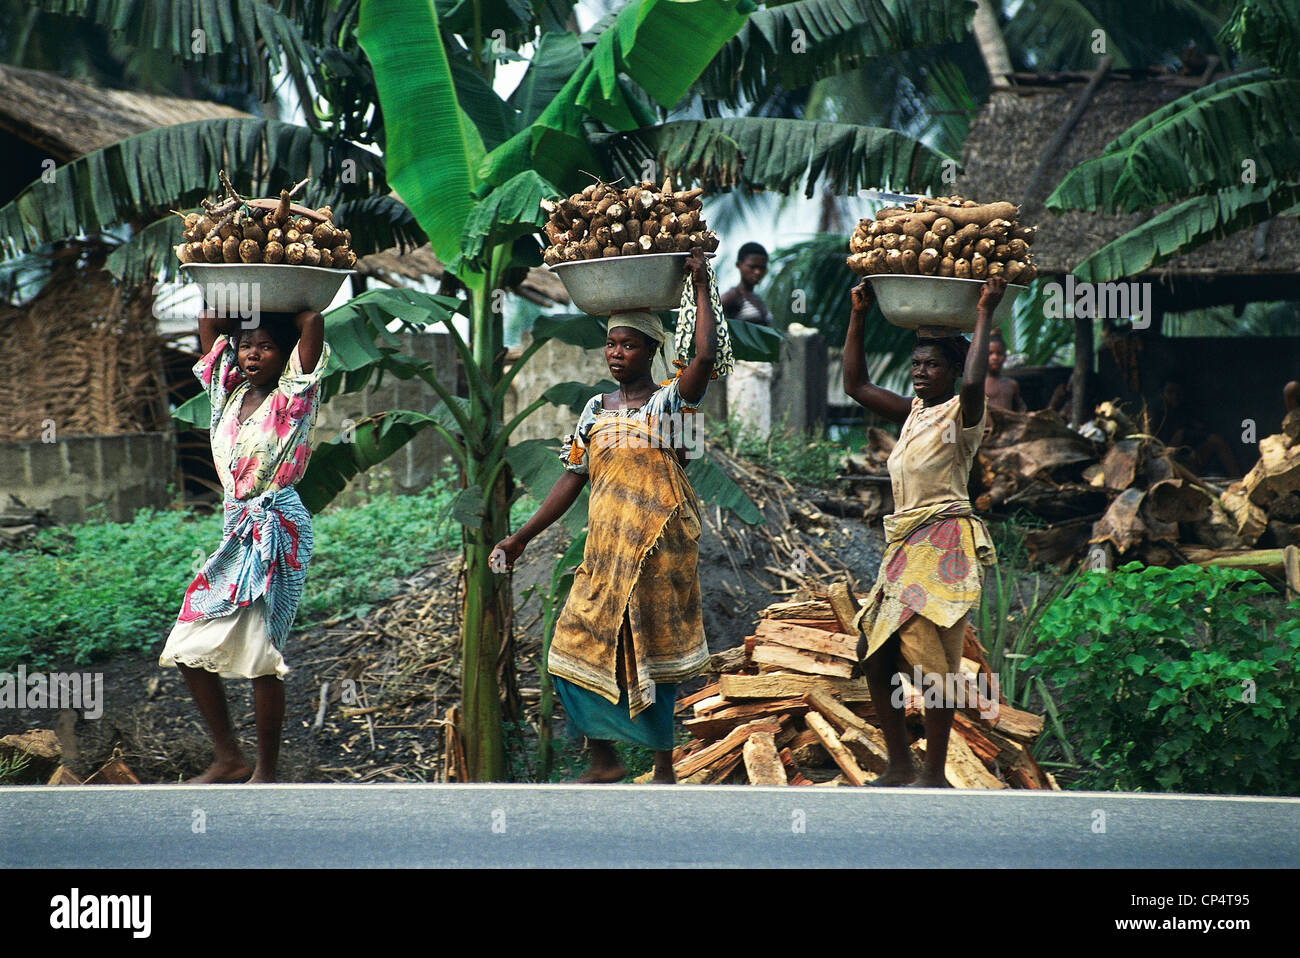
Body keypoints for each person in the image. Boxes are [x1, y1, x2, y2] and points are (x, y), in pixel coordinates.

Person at [490, 249, 728, 784]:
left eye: (630, 345)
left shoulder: (669, 405)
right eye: (612, 344)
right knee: (572, 648)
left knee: (655, 651)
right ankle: (605, 761)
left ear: (651, 351)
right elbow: (573, 477)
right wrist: (520, 537)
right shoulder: (595, 411)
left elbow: (706, 359)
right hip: (604, 552)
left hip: (656, 551)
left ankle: (663, 767)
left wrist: (701, 283)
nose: (617, 354)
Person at [841, 277, 1003, 787]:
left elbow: (976, 386)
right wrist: (859, 315)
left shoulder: (963, 415)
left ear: (954, 371)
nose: (921, 373)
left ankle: (932, 771)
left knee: (934, 658)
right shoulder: (913, 413)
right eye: (917, 364)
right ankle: (900, 764)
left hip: (946, 541)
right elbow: (856, 386)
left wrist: (984, 312)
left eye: (934, 365)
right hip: (905, 544)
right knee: (876, 651)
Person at [158, 308, 329, 783]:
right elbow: (207, 317)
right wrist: (240, 310)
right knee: (186, 644)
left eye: (267, 346)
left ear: (286, 354)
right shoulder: (227, 395)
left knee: (261, 651)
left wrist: (288, 307)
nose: (254, 354)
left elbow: (313, 320)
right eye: (247, 345)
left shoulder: (296, 396)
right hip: (236, 527)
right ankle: (229, 757)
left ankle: (266, 772)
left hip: (277, 526)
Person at [721, 242, 777, 435]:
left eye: (761, 268)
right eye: (752, 267)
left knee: (760, 428)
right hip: (742, 371)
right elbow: (712, 324)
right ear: (739, 265)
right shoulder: (732, 297)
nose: (757, 272)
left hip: (761, 371)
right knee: (744, 427)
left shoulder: (757, 298)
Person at [1155, 379, 1239, 478]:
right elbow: (1152, 449)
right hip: (1166, 464)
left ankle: (1237, 479)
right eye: (1170, 392)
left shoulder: (1184, 411)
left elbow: (1201, 431)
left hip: (1189, 459)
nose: (1175, 396)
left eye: (1178, 392)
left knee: (1216, 440)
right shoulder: (1155, 414)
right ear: (1161, 394)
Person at [985, 332, 1025, 411]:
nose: (995, 357)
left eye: (999, 353)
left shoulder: (1012, 384)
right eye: (990, 353)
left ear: (1005, 357)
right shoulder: (980, 384)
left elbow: (1019, 408)